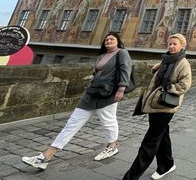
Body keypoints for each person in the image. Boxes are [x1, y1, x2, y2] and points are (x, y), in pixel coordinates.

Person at [21, 32, 133, 170]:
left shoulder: (122, 53)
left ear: (118, 41)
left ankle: (112, 146)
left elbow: (125, 70)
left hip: (108, 94)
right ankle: (46, 156)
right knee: (72, 123)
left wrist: (121, 89)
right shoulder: (102, 55)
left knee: (108, 121)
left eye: (112, 39)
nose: (108, 41)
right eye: (106, 39)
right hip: (92, 93)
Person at [103, 33, 192, 180]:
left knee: (149, 144)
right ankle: (167, 165)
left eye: (175, 44)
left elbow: (185, 85)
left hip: (166, 106)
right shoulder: (165, 61)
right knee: (162, 135)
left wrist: (166, 88)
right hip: (154, 104)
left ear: (182, 46)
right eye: (170, 43)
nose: (171, 46)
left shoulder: (183, 63)